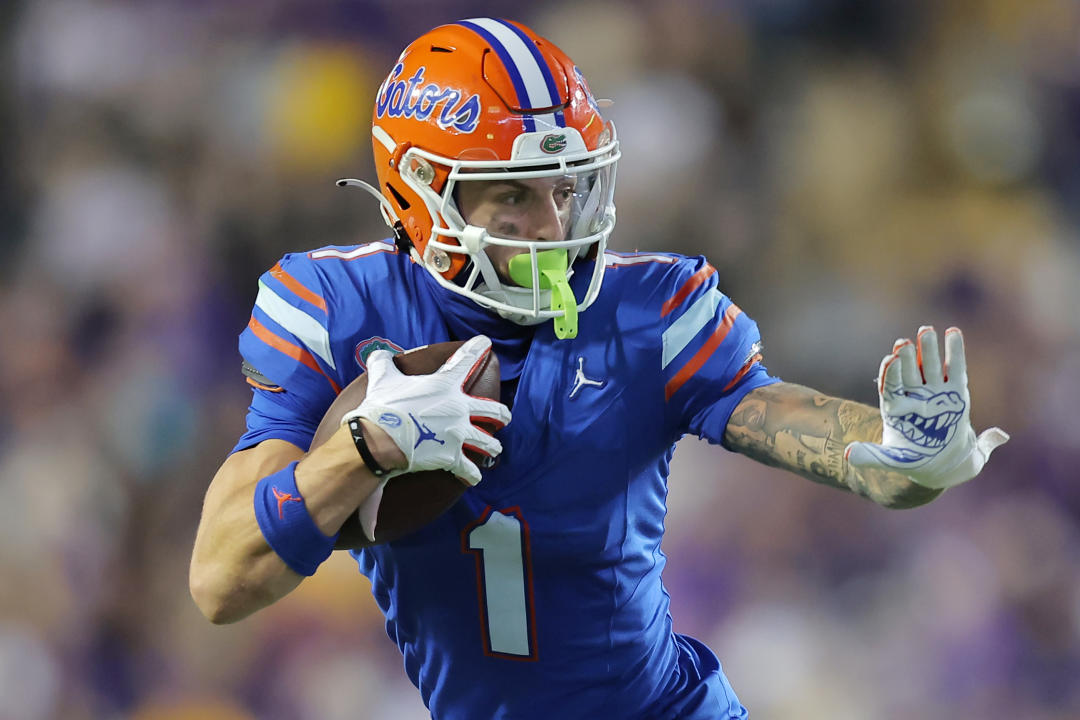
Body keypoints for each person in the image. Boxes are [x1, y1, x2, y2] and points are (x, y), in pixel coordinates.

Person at [189, 18, 1008, 720]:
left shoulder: (648, 309)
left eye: (566, 187)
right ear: (422, 191)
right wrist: (366, 448)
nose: (552, 224)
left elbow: (805, 429)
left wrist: (906, 455)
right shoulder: (335, 307)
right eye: (514, 195)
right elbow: (222, 580)